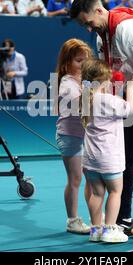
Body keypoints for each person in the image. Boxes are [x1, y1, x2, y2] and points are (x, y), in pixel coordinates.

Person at [70, 0, 133, 239]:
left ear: (99, 11)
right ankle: (123, 219)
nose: (87, 27)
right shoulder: (100, 37)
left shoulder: (130, 29)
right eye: (83, 25)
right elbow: (111, 72)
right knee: (121, 159)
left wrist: (127, 94)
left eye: (88, 22)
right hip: (128, 94)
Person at [80, 59, 133, 243]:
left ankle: (95, 230)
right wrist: (130, 87)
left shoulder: (84, 99)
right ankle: (110, 229)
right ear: (103, 80)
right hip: (109, 158)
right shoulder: (109, 100)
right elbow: (130, 110)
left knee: (97, 193)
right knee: (115, 192)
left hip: (90, 159)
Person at [55, 38, 93, 234]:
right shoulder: (66, 83)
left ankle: (96, 217)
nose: (83, 64)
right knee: (75, 178)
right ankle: (72, 220)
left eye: (86, 60)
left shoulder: (85, 80)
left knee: (91, 177)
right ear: (67, 62)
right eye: (79, 60)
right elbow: (81, 104)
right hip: (69, 136)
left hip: (86, 136)